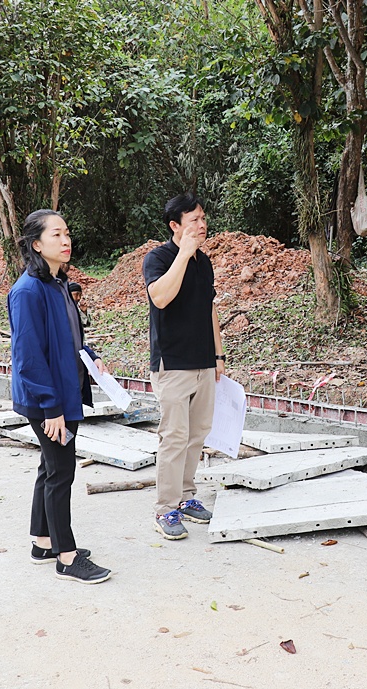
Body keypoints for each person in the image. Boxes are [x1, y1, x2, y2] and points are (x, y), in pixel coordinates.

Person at [9, 209, 112, 583]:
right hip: (47, 399)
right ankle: (66, 558)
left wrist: (91, 356)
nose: (65, 240)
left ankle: (43, 541)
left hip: (62, 390)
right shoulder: (28, 291)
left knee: (50, 466)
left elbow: (69, 336)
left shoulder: (58, 283)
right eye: (56, 235)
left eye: (67, 233)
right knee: (61, 473)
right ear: (36, 244)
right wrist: (51, 408)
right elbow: (28, 356)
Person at [143, 193, 224, 539]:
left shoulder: (204, 262)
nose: (202, 225)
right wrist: (184, 254)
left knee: (197, 434)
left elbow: (210, 308)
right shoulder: (158, 258)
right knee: (174, 437)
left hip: (203, 361)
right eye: (194, 220)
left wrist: (218, 356)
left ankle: (187, 496)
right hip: (173, 362)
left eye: (203, 218)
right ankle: (166, 508)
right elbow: (160, 297)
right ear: (175, 226)